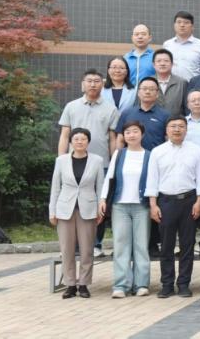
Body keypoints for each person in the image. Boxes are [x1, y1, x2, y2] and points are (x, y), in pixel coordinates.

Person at [59, 69, 119, 258]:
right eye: (89, 80)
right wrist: (61, 160)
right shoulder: (71, 106)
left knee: (99, 204)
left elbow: (112, 138)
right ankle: (73, 245)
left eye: (97, 81)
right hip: (73, 163)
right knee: (73, 203)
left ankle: (96, 244)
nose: (93, 84)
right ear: (82, 84)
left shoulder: (110, 109)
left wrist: (114, 162)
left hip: (101, 164)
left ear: (103, 84)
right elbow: (64, 135)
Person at [145, 115, 200, 298]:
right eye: (173, 126)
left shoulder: (196, 150)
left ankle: (184, 284)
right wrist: (153, 205)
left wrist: (199, 201)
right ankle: (167, 284)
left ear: (186, 129)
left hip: (189, 201)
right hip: (166, 202)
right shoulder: (157, 152)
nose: (177, 129)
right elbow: (152, 180)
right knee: (166, 246)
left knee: (187, 245)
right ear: (166, 130)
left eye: (181, 126)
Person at [50, 128, 105, 299]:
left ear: (88, 142)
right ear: (71, 142)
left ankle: (83, 284)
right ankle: (70, 284)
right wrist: (52, 211)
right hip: (64, 209)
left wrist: (100, 209)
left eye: (83, 139)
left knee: (87, 249)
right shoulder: (61, 160)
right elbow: (55, 187)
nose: (79, 142)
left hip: (88, 209)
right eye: (76, 139)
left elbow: (100, 187)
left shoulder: (97, 160)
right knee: (67, 249)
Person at [99, 121, 152, 298]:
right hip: (120, 206)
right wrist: (103, 199)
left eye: (135, 131)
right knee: (121, 245)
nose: (131, 135)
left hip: (142, 206)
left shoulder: (149, 156)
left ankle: (141, 284)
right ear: (124, 136)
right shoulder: (119, 154)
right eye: (127, 132)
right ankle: (121, 285)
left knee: (141, 245)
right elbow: (109, 178)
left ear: (142, 134)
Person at [116, 77, 170, 150]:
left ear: (157, 94)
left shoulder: (165, 115)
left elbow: (168, 141)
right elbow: (120, 140)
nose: (147, 92)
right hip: (131, 155)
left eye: (151, 89)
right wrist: (118, 155)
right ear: (138, 93)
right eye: (144, 89)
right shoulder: (127, 113)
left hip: (156, 156)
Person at [162, 11, 200, 81]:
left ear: (192, 27)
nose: (182, 25)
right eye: (179, 22)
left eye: (186, 22)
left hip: (193, 85)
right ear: (174, 25)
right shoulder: (167, 45)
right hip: (172, 85)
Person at [152, 48, 189, 116]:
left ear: (172, 64)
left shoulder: (182, 83)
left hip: (176, 121)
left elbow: (187, 108)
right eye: (159, 61)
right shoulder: (147, 82)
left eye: (166, 61)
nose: (162, 64)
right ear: (153, 65)